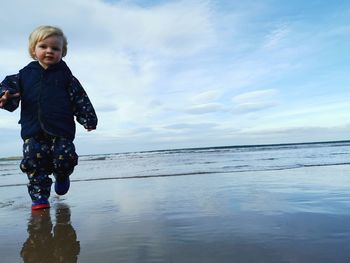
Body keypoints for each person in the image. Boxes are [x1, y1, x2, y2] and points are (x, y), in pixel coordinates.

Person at [0, 25, 97, 210]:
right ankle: (39, 198)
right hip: (33, 129)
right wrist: (5, 96)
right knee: (33, 164)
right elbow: (7, 90)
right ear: (33, 50)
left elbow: (80, 98)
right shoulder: (23, 75)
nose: (49, 51)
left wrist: (88, 118)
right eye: (43, 46)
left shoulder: (67, 77)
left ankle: (62, 175)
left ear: (63, 52)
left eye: (55, 48)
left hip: (61, 129)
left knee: (65, 158)